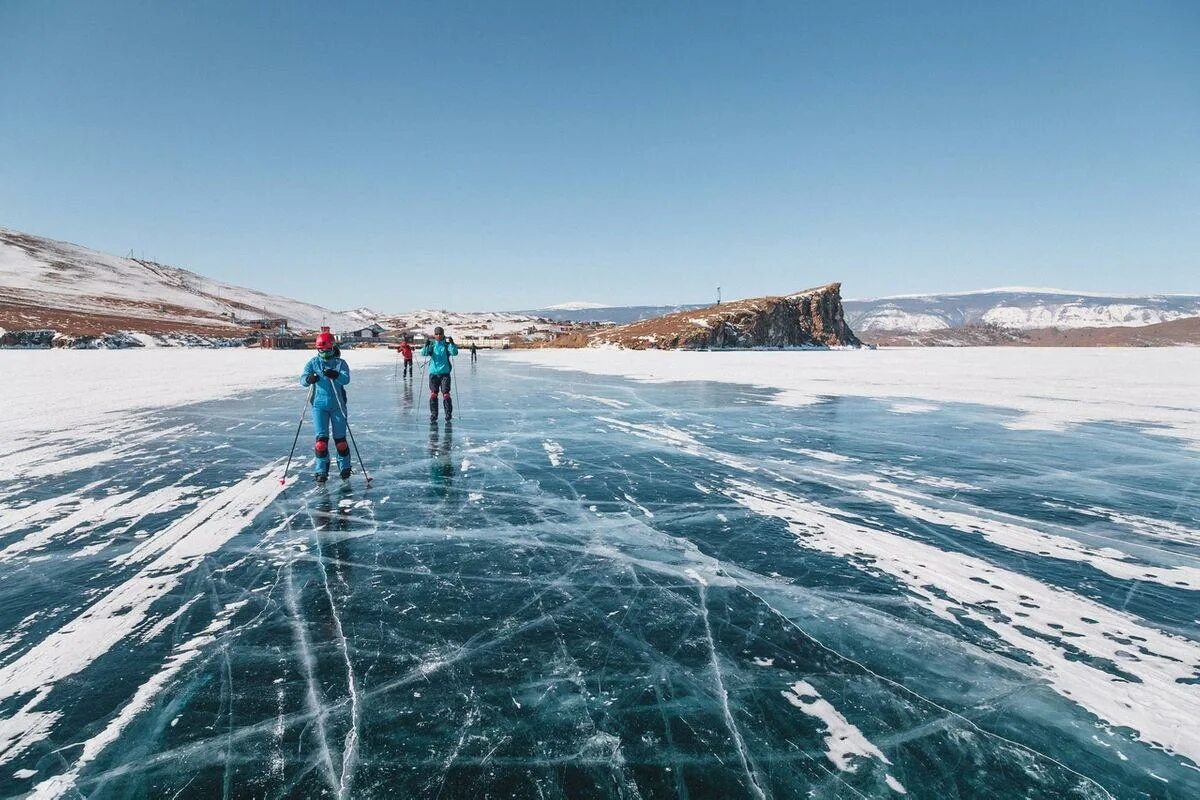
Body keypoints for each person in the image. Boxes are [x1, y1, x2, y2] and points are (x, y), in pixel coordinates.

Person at [300, 328, 352, 482]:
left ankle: (345, 467)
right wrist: (309, 379)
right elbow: (302, 379)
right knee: (321, 443)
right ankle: (321, 470)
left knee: (340, 442)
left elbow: (346, 379)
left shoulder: (340, 363)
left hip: (338, 406)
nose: (323, 353)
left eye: (326, 350)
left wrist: (336, 375)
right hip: (319, 406)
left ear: (332, 348)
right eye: (320, 350)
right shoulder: (313, 363)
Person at [421, 326, 458, 422]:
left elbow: (454, 353)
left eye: (440, 334)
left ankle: (448, 414)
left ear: (443, 334)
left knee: (446, 394)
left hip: (445, 373)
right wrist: (426, 346)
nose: (438, 335)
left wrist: (452, 344)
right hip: (433, 373)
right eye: (436, 334)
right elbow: (424, 353)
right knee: (433, 394)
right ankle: (434, 414)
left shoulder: (446, 345)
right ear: (434, 335)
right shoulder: (432, 345)